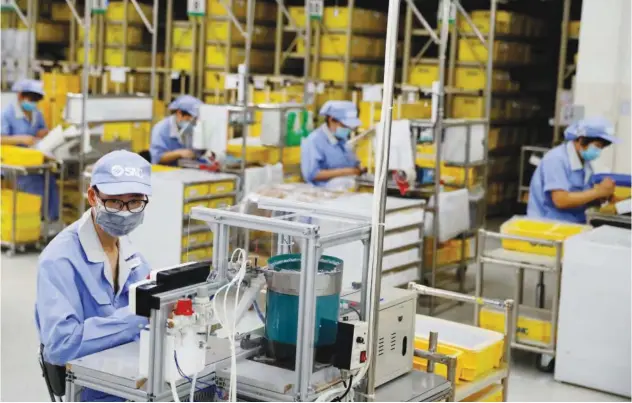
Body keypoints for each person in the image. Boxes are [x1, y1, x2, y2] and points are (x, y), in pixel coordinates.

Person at [35, 150, 152, 402]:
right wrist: (135, 318)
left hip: (134, 378)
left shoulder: (130, 252)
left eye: (134, 202)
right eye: (114, 202)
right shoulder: (59, 260)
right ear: (92, 196)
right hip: (94, 389)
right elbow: (59, 345)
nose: (124, 212)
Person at [527, 117, 618, 223]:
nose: (598, 152)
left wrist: (602, 197)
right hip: (548, 226)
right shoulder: (556, 159)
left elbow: (583, 196)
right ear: (581, 140)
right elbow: (561, 200)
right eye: (596, 146)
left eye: (601, 148)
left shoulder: (585, 164)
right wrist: (598, 192)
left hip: (573, 224)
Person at [1, 78, 59, 220]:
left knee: (50, 182)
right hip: (16, 164)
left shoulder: (36, 114)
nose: (33, 103)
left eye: (36, 100)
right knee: (34, 187)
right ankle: (34, 222)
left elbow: (42, 130)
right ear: (20, 96)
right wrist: (20, 139)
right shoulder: (7, 114)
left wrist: (43, 133)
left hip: (35, 159)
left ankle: (50, 221)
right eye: (31, 99)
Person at [301, 100, 364, 190]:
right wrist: (347, 172)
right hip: (323, 194)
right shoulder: (314, 141)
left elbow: (351, 162)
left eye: (350, 127)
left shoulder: (342, 140)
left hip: (346, 190)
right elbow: (312, 174)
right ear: (331, 119)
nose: (348, 129)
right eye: (344, 125)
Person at [149, 94, 203, 166]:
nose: (193, 123)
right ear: (179, 113)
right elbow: (156, 158)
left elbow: (198, 152)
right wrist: (179, 153)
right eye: (191, 119)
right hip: (166, 172)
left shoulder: (194, 129)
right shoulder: (161, 129)